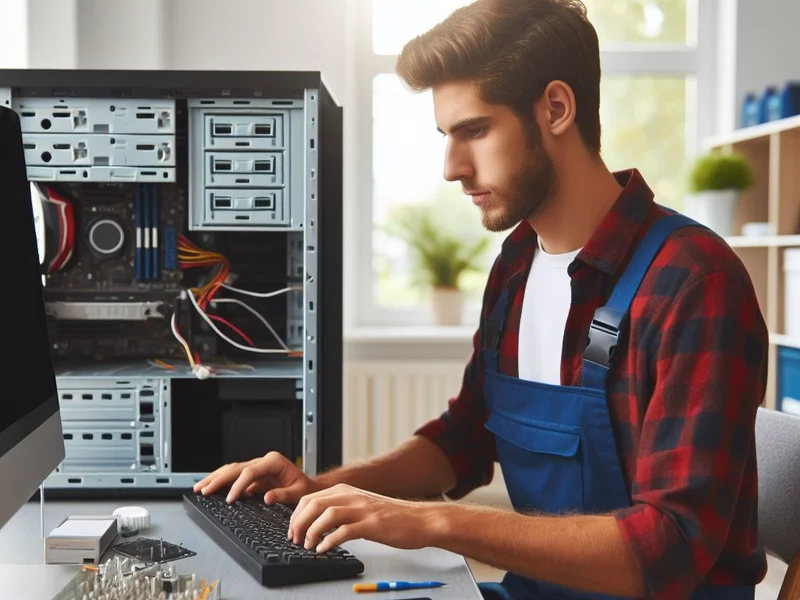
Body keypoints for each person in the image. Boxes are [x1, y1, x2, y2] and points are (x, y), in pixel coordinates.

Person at [194, 1, 769, 598]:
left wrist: (435, 523)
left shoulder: (694, 284)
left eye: (474, 130)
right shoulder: (517, 265)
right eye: (446, 135)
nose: (451, 167)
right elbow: (465, 440)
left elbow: (669, 549)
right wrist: (321, 490)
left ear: (555, 108)